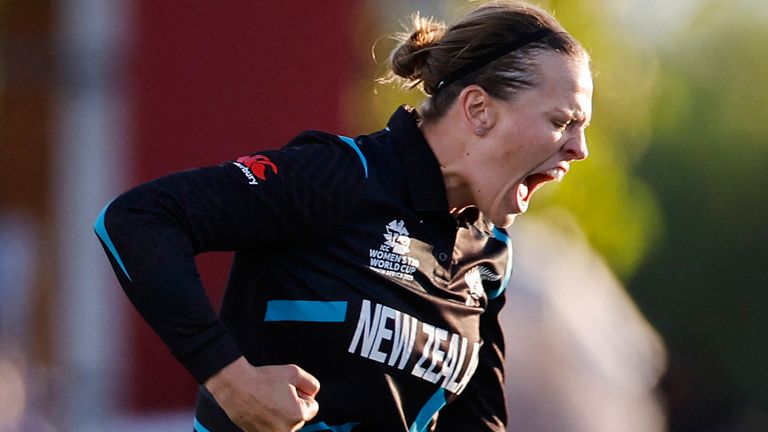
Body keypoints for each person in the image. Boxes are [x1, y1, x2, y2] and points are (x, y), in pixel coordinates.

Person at [94, 1, 592, 431]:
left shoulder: (490, 259)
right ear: (479, 110)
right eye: (561, 121)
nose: (580, 149)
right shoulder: (339, 175)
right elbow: (139, 218)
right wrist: (230, 378)